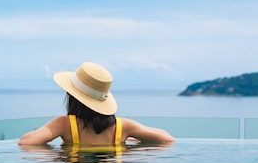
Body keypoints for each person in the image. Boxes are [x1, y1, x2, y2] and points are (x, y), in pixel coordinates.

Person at [19, 62, 175, 145]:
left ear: (71, 95)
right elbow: (167, 138)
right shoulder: (123, 127)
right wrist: (133, 140)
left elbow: (26, 142)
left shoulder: (64, 125)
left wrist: (57, 158)